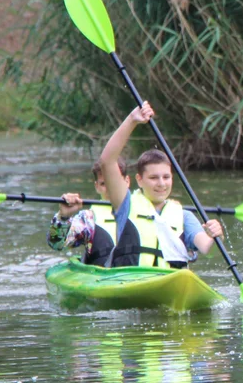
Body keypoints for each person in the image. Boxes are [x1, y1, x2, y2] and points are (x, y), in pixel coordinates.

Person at [49, 101, 223, 268]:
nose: (161, 183)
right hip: (131, 280)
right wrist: (132, 120)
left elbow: (207, 249)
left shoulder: (184, 216)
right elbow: (107, 161)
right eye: (154, 178)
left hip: (169, 282)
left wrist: (215, 237)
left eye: (166, 177)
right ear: (139, 180)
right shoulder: (125, 205)